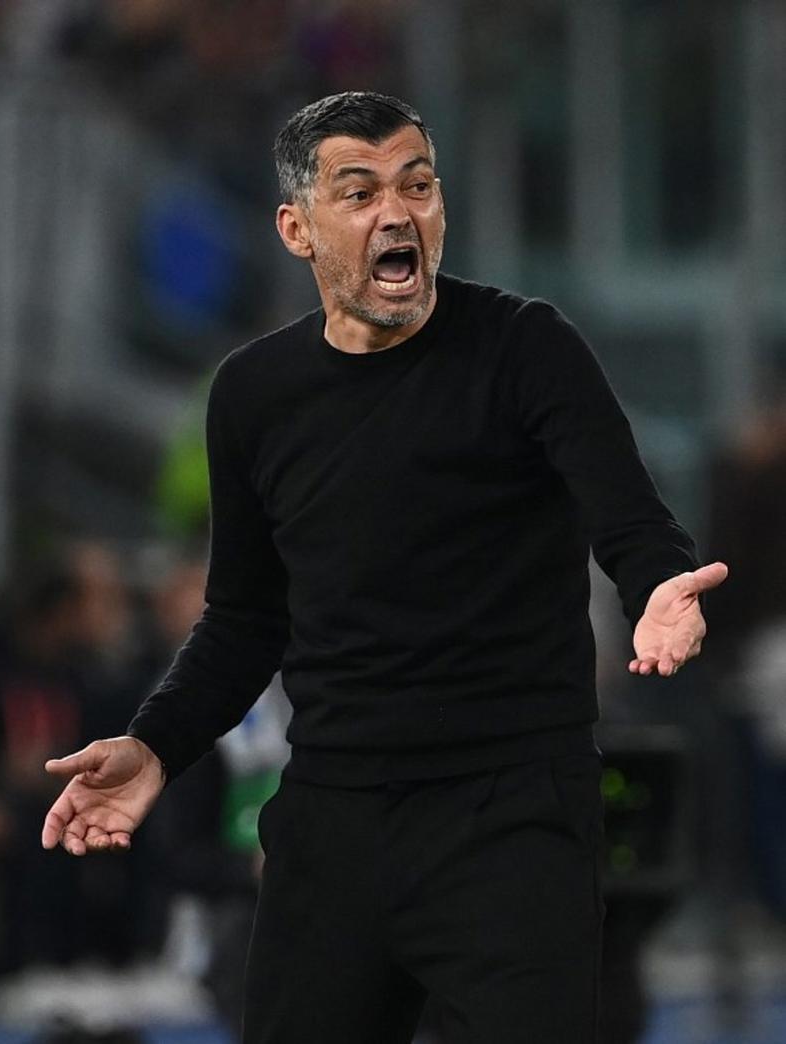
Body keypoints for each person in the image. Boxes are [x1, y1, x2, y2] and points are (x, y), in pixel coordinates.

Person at [42, 91, 727, 1043]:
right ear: (296, 228)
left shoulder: (527, 346)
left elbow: (631, 519)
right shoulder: (252, 394)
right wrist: (157, 745)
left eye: (417, 184)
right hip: (333, 816)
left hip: (513, 816)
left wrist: (659, 586)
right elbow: (245, 618)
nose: (396, 212)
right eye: (358, 192)